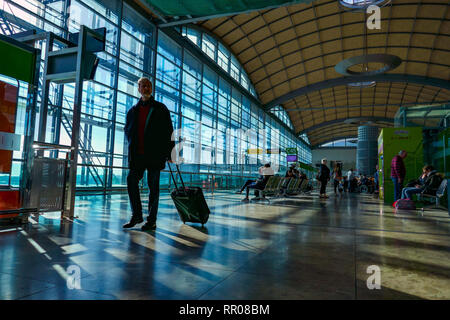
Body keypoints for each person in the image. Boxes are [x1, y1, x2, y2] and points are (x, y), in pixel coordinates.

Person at [123, 77, 175, 231]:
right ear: (138, 88)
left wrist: (171, 153)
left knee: (154, 188)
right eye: (143, 86)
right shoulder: (133, 111)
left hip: (154, 155)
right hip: (137, 155)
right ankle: (136, 215)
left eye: (149, 86)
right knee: (131, 180)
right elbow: (127, 130)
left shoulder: (161, 108)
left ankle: (151, 221)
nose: (146, 88)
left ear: (151, 89)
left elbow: (169, 131)